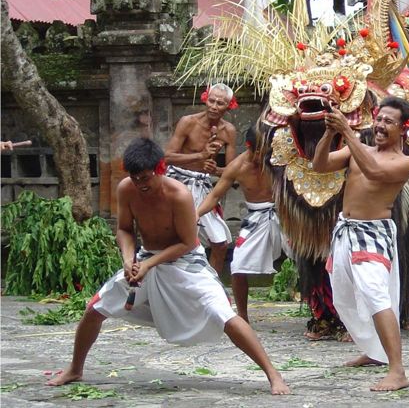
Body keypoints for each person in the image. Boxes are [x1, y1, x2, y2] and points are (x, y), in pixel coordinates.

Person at [46, 138, 289, 394]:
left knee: (225, 315)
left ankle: (273, 374)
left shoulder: (179, 195)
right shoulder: (126, 189)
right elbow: (124, 229)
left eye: (145, 177)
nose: (140, 184)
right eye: (134, 178)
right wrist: (129, 260)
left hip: (187, 261)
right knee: (94, 308)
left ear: (159, 169)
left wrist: (149, 264)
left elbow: (187, 242)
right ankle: (75, 368)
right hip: (145, 257)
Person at [312, 96, 409, 391]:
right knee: (344, 296)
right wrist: (330, 133)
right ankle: (374, 351)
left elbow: (374, 172)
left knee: (374, 293)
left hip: (373, 234)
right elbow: (319, 165)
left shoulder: (404, 162)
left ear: (403, 128)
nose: (380, 125)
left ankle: (398, 371)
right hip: (345, 231)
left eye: (388, 121)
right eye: (379, 119)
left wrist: (346, 131)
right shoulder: (359, 149)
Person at [197, 125, 287, 323]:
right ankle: (242, 317)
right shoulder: (237, 166)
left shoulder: (278, 160)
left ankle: (322, 314)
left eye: (266, 151)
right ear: (248, 146)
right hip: (256, 218)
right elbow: (214, 196)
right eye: (259, 151)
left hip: (286, 214)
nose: (263, 156)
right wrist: (195, 214)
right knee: (237, 265)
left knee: (308, 259)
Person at [165, 83, 238, 275]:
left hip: (203, 185)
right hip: (178, 182)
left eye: (220, 103)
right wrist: (200, 156)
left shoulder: (228, 131)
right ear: (205, 99)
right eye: (211, 101)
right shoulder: (188, 122)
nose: (214, 106)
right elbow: (167, 157)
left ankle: (212, 285)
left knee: (220, 243)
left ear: (229, 106)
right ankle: (176, 282)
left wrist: (216, 169)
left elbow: (231, 171)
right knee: (177, 239)